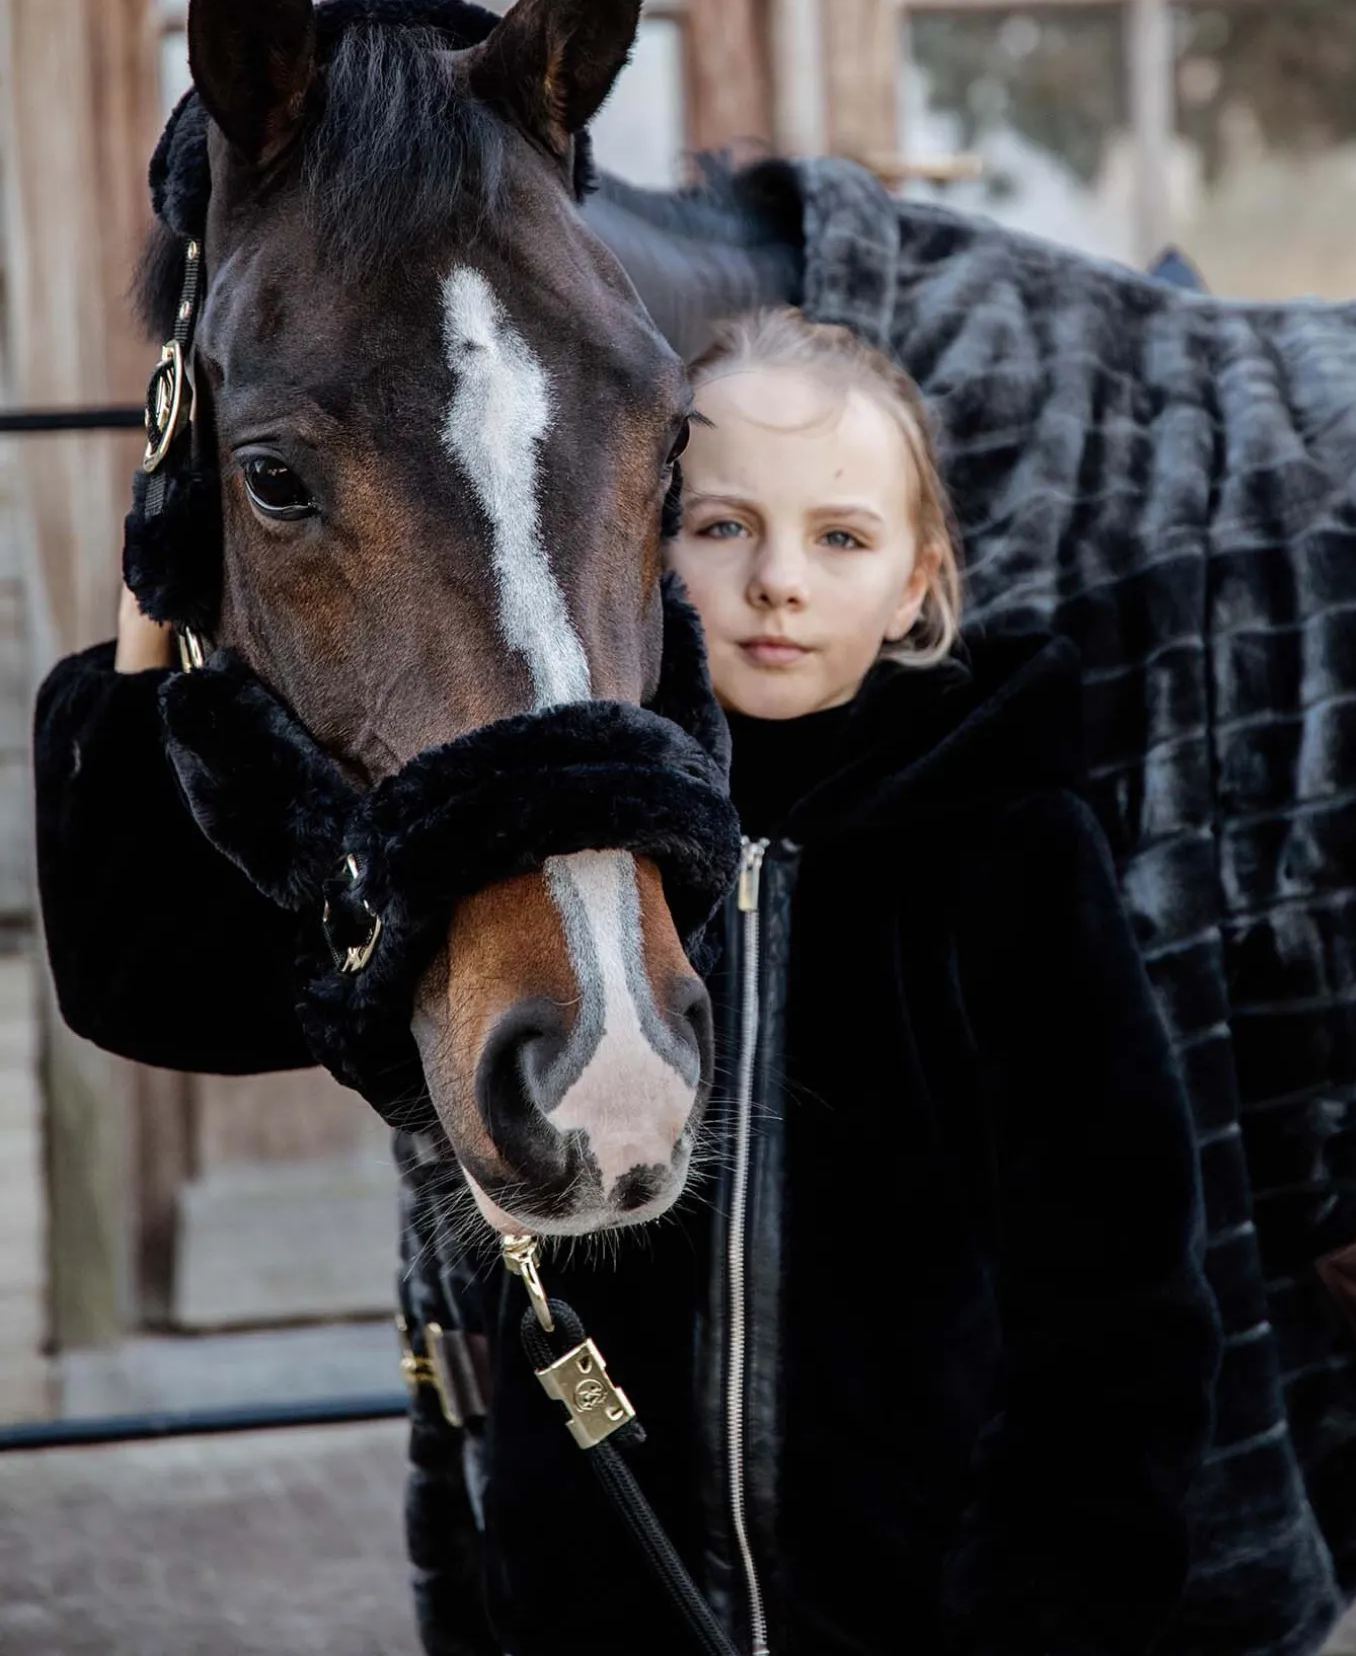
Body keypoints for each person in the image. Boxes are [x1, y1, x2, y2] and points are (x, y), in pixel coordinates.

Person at [33, 308, 1218, 1656]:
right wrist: (156, 591)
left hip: (924, 1603)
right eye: (720, 526)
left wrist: (1039, 1615)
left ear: (917, 585)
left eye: (840, 536)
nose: (778, 578)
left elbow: (1122, 1301)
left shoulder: (1006, 840)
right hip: (591, 1597)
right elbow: (146, 974)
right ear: (636, 545)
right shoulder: (532, 838)